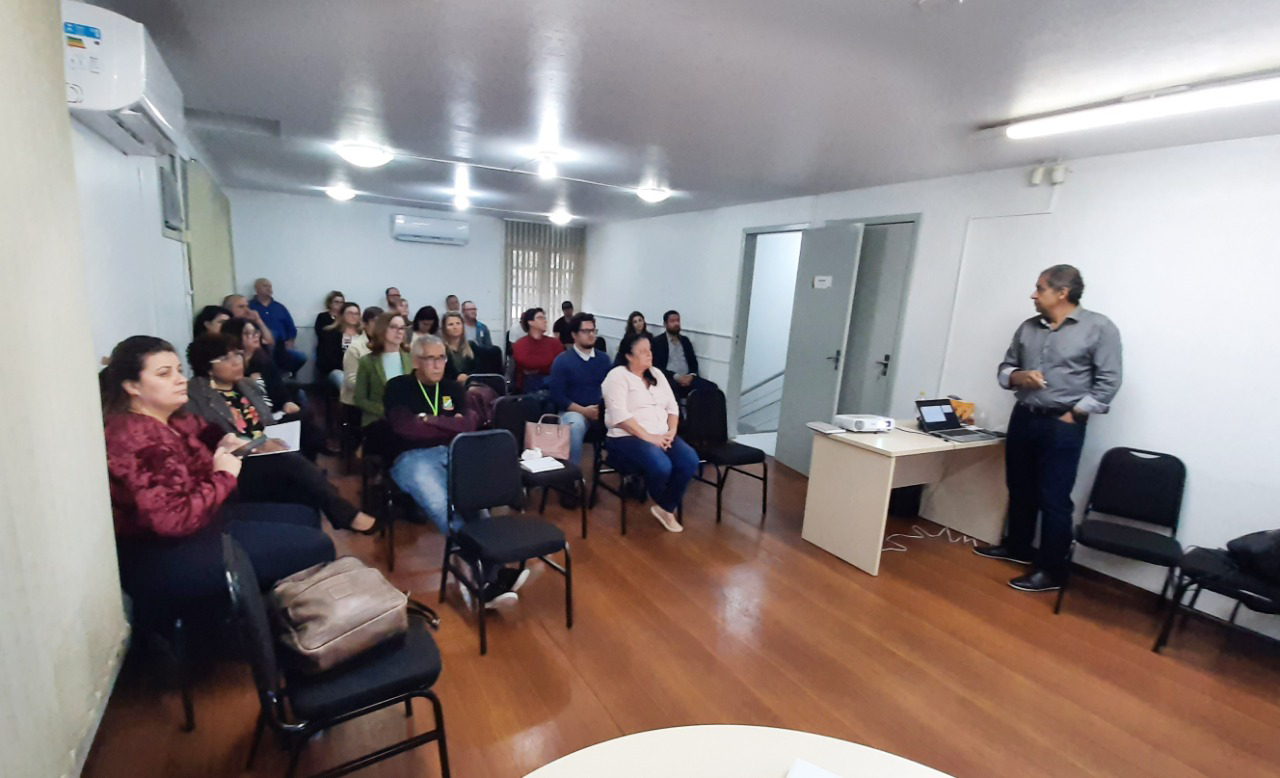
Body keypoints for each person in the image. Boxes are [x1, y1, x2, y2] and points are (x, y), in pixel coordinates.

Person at [101, 336, 335, 607]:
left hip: (203, 522)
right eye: (164, 374)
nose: (180, 380)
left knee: (304, 515)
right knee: (318, 544)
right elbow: (171, 520)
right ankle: (272, 624)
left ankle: (279, 609)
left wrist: (224, 445)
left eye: (179, 370)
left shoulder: (173, 419)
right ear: (131, 386)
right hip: (165, 552)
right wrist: (223, 475)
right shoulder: (134, 436)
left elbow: (204, 445)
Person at [974, 265, 1123, 593]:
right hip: (1024, 416)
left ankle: (1051, 572)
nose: (1033, 294)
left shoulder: (1099, 328)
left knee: (1053, 497)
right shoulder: (1028, 327)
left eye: (1040, 288)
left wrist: (1075, 414)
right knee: (1019, 487)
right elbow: (1005, 367)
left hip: (1062, 424)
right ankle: (1017, 547)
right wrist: (1019, 377)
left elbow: (1109, 381)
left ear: (1062, 293)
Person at [183, 333, 377, 533]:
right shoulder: (194, 396)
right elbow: (214, 442)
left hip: (266, 444)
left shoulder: (246, 385)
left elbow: (265, 421)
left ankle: (320, 467)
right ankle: (342, 511)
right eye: (226, 358)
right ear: (207, 366)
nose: (236, 362)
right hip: (239, 463)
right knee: (290, 462)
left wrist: (269, 437)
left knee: (301, 420)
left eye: (237, 354)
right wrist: (257, 445)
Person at [383, 335, 526, 606]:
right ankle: (489, 571)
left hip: (454, 452)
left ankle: (489, 577)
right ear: (415, 361)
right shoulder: (398, 387)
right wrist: (448, 423)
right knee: (443, 506)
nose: (438, 364)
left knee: (476, 504)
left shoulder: (451, 387)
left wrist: (428, 420)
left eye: (441, 358)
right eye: (430, 358)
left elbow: (469, 424)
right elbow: (406, 429)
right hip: (411, 458)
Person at [601, 332, 699, 533]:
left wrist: (671, 432)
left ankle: (665, 508)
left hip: (662, 434)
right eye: (643, 351)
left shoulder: (656, 374)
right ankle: (665, 503)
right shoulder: (617, 376)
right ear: (629, 355)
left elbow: (672, 408)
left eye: (650, 350)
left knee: (690, 460)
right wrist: (650, 438)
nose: (649, 354)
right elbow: (620, 416)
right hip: (626, 437)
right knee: (661, 465)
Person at [548, 313, 611, 468]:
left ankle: (628, 473)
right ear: (574, 335)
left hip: (601, 412)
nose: (591, 335)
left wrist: (603, 408)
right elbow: (557, 396)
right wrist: (584, 411)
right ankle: (572, 473)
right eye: (585, 331)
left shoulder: (604, 359)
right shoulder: (562, 361)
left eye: (593, 330)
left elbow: (611, 389)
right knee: (575, 424)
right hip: (573, 411)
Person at [223, 317, 298, 416]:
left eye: (255, 332)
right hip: (250, 416)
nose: (255, 336)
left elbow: (280, 390)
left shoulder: (263, 361)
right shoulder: (230, 367)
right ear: (235, 337)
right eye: (247, 333)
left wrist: (287, 403)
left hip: (274, 413)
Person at [354, 312, 412, 427]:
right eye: (393, 327)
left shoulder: (411, 358)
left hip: (407, 419)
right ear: (382, 329)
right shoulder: (367, 361)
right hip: (377, 420)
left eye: (402, 328)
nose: (399, 331)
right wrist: (386, 411)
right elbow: (360, 399)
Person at [652, 310, 718, 397]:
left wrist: (691, 375)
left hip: (688, 377)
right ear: (665, 324)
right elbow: (657, 366)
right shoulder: (658, 342)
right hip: (669, 378)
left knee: (712, 387)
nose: (676, 324)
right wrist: (676, 376)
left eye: (678, 321)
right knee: (673, 388)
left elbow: (693, 362)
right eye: (672, 321)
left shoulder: (685, 341)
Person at [248, 278, 306, 374]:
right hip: (260, 347)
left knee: (301, 357)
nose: (269, 288)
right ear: (256, 288)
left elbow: (291, 328)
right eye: (265, 286)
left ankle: (287, 374)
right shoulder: (249, 307)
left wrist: (290, 342)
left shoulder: (279, 307)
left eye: (270, 286)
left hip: (281, 347)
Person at [511, 307, 565, 393]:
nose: (545, 321)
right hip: (529, 384)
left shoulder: (555, 343)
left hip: (552, 382)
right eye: (540, 318)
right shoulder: (520, 344)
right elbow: (527, 363)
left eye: (544, 318)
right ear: (530, 322)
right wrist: (547, 365)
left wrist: (537, 369)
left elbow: (560, 365)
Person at [341, 306, 383, 408]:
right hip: (357, 401)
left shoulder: (388, 345)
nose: (380, 326)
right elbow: (351, 380)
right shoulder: (355, 347)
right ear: (365, 324)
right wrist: (376, 388)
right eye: (375, 321)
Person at [317, 301, 361, 391]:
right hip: (338, 369)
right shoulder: (330, 333)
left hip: (360, 369)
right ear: (342, 315)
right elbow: (327, 359)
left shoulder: (364, 334)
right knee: (341, 378)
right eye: (350, 313)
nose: (354, 316)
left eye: (357, 314)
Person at [440, 311, 477, 383]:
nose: (455, 327)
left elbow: (477, 369)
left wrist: (467, 376)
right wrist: (457, 378)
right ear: (444, 328)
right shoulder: (440, 349)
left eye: (458, 323)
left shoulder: (472, 346)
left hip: (471, 384)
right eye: (450, 324)